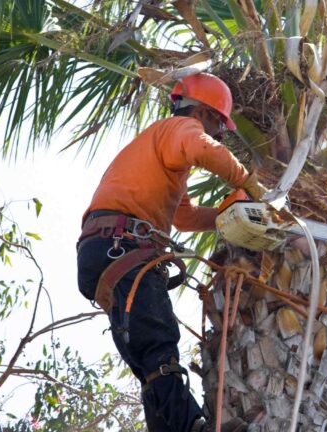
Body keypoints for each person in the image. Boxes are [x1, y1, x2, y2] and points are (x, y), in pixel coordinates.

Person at [76, 73, 267, 432]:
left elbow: (186, 218)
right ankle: (194, 428)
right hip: (123, 247)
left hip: (103, 252)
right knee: (161, 347)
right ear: (203, 113)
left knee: (149, 364)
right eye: (218, 124)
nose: (220, 134)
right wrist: (248, 183)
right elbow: (203, 148)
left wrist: (230, 215)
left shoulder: (161, 154)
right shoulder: (179, 129)